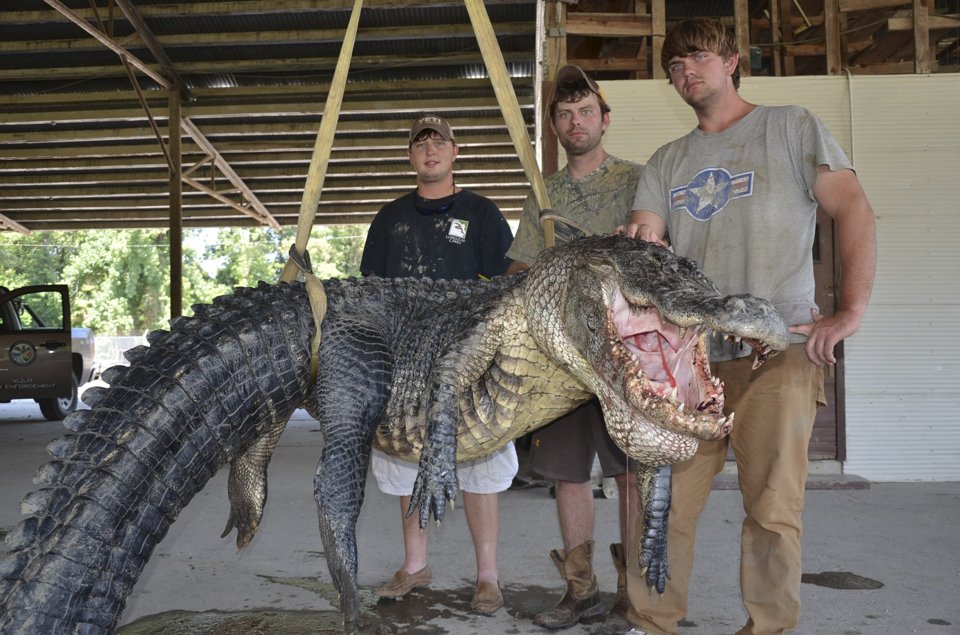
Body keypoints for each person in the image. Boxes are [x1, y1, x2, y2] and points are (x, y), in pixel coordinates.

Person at [620, 18, 877, 635]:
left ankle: (769, 627)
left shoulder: (790, 127)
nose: (686, 72)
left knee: (772, 509)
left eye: (698, 57)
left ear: (732, 61)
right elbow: (646, 235)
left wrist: (850, 311)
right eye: (675, 66)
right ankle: (651, 621)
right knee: (665, 507)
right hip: (689, 363)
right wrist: (637, 245)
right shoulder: (667, 160)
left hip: (778, 351)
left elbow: (854, 208)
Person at [360, 114, 518, 616]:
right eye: (420, 143)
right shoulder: (389, 219)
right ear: (410, 155)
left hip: (468, 360)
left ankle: (488, 575)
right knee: (406, 459)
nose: (430, 150)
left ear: (455, 152)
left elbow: (505, 287)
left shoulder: (482, 213)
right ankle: (414, 564)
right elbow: (369, 294)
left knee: (480, 463)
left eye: (439, 141)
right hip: (405, 362)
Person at [505, 65, 644, 633]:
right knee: (567, 475)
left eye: (585, 111)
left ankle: (633, 594)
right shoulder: (545, 195)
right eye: (564, 115)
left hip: (622, 356)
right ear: (556, 128)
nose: (575, 122)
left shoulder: (638, 182)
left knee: (629, 474)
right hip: (560, 360)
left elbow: (658, 253)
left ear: (605, 119)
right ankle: (579, 590)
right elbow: (518, 268)